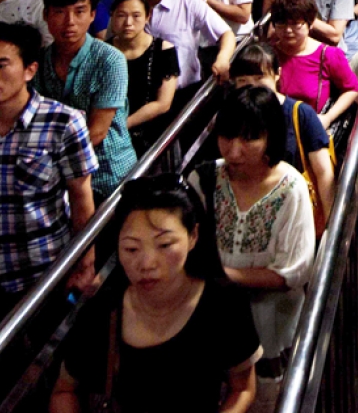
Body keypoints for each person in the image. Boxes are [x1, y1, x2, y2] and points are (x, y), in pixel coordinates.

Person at [0, 23, 98, 410]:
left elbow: (81, 198)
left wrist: (84, 262)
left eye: (1, 65)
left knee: (50, 369)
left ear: (29, 69)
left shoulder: (63, 122)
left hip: (43, 273)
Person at [50, 176, 261, 413]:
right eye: (131, 248)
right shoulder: (102, 309)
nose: (147, 263)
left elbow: (242, 388)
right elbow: (64, 390)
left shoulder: (224, 304)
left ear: (193, 236)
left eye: (165, 245)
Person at [187, 87, 315, 393]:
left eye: (249, 138)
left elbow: (293, 271)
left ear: (270, 136)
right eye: (227, 137)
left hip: (269, 331)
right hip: (212, 331)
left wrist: (222, 276)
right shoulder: (203, 180)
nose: (233, 151)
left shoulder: (290, 188)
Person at [33, 0, 136, 201]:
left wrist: (44, 160)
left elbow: (97, 132)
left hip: (108, 172)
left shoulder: (110, 59)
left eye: (79, 12)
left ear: (92, 15)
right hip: (54, 175)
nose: (70, 22)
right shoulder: (39, 62)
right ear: (46, 15)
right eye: (60, 12)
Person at [230, 43, 334, 225]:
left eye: (259, 78)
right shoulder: (231, 118)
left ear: (277, 74)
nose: (252, 87)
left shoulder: (301, 114)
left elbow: (324, 172)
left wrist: (330, 228)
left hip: (295, 216)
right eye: (243, 81)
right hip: (249, 217)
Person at [128, 0, 236, 91]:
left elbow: (226, 34)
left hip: (184, 91)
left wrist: (223, 59)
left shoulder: (189, 4)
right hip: (140, 93)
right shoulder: (126, 9)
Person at [271, 0, 358, 128]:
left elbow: (352, 89)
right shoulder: (268, 54)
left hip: (311, 130)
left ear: (310, 23)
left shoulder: (329, 55)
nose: (288, 30)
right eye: (281, 23)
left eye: (295, 23)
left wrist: (328, 117)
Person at [106, 0, 180, 156]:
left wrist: (124, 124)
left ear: (148, 16)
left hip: (153, 136)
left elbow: (163, 103)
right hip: (110, 136)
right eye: (121, 15)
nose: (128, 22)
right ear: (112, 16)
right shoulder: (103, 51)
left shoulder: (163, 49)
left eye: (136, 15)